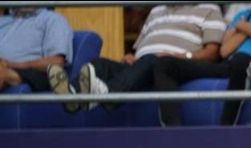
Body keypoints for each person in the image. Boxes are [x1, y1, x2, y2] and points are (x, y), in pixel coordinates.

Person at [51, 3, 226, 113]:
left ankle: (109, 95)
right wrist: (131, 56)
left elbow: (212, 53)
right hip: (142, 64)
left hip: (171, 67)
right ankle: (72, 96)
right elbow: (142, 47)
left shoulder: (209, 9)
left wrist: (180, 56)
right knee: (100, 64)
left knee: (151, 59)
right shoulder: (156, 9)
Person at [153, 1, 251, 126]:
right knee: (165, 64)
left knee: (241, 61)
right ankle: (172, 130)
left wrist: (243, 27)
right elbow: (225, 50)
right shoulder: (244, 14)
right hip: (233, 64)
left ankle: (226, 128)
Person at [0, 7, 72, 93]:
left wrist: (11, 64)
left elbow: (56, 63)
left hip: (29, 73)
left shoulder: (52, 19)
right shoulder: (3, 20)